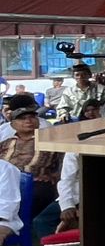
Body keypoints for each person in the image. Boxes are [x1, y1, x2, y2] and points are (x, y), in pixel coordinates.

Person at [1, 94, 63, 228]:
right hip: (5, 182)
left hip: (36, 183)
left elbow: (63, 165)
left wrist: (54, 175)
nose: (28, 121)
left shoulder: (50, 141)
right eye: (22, 118)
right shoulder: (6, 143)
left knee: (34, 193)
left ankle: (17, 227)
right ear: (13, 124)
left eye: (32, 117)